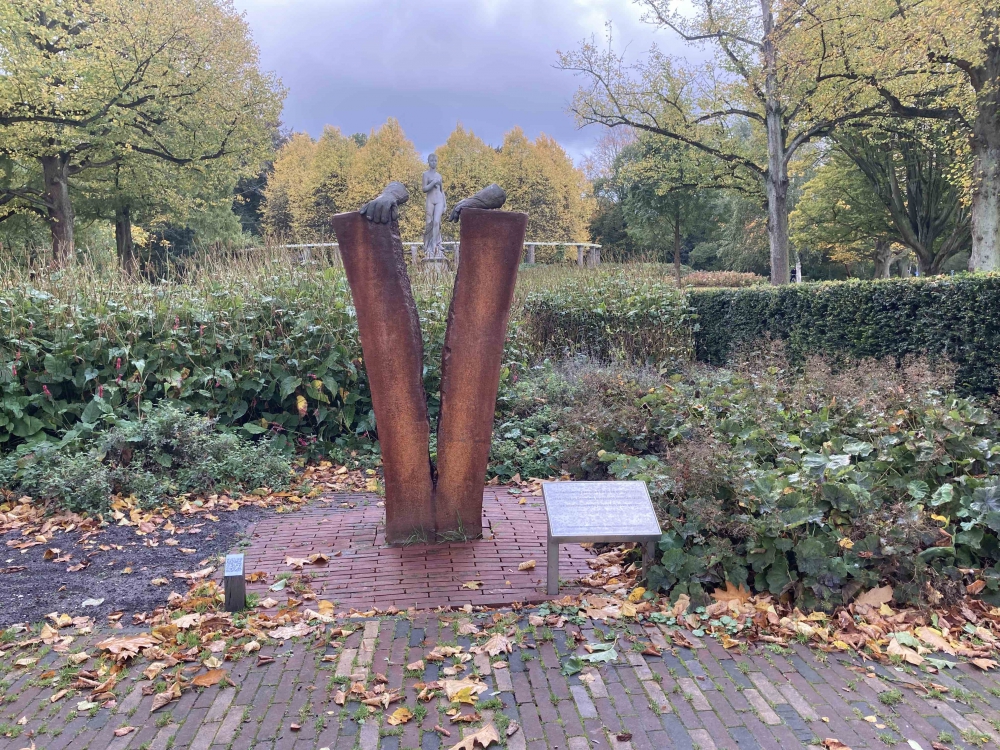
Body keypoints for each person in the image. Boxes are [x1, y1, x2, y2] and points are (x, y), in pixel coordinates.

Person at [422, 154, 446, 260]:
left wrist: (445, 204)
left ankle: (435, 245)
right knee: (429, 223)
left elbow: (442, 191)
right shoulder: (425, 174)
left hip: (439, 200)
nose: (433, 162)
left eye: (435, 160)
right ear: (428, 162)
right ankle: (427, 245)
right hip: (430, 200)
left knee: (437, 222)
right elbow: (424, 189)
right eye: (431, 160)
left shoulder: (439, 175)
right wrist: (433, 183)